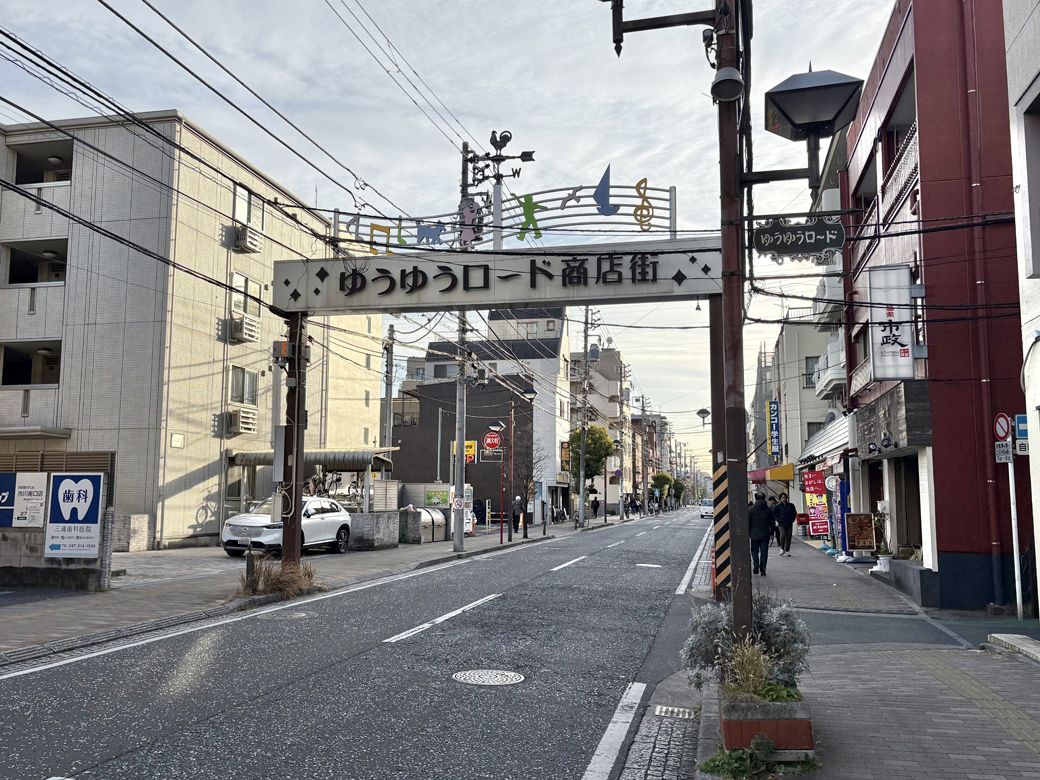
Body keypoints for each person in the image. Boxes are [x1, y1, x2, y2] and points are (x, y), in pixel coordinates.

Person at [748, 491, 776, 576]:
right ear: (764, 499)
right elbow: (772, 522)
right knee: (764, 552)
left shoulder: (750, 510)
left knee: (754, 551)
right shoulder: (768, 510)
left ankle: (756, 564)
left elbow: (748, 523)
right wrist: (772, 532)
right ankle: (763, 568)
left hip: (754, 534)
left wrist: (749, 533)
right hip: (765, 534)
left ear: (756, 499)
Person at [774, 492, 797, 556]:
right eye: (782, 497)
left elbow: (794, 513)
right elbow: (774, 514)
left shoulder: (791, 505)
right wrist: (778, 520)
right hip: (781, 524)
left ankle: (787, 550)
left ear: (786, 498)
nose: (783, 498)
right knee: (783, 535)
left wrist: (792, 520)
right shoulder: (777, 506)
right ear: (780, 498)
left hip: (789, 523)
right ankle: (782, 548)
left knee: (789, 537)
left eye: (784, 497)